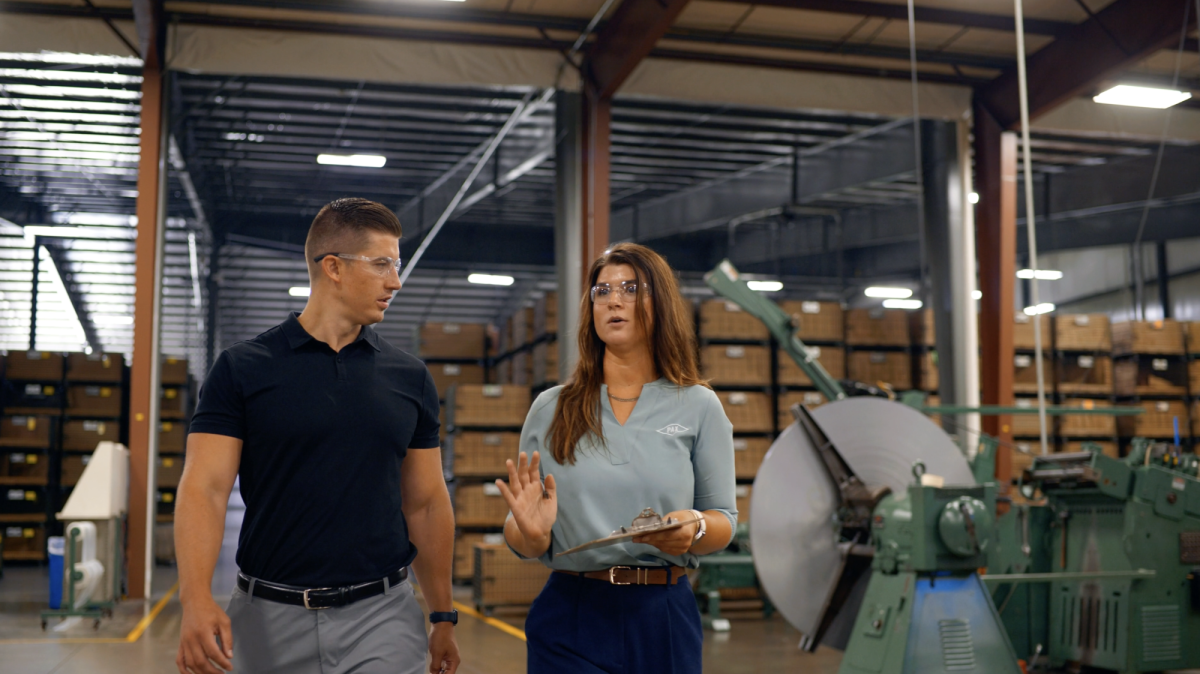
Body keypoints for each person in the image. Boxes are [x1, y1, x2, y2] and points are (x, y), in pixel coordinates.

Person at [175, 198, 460, 674]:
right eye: (382, 264)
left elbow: (427, 502)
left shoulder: (409, 378)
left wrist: (443, 613)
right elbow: (204, 489)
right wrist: (195, 598)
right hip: (266, 620)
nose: (396, 281)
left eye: (398, 264)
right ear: (333, 267)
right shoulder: (243, 369)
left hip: (383, 618)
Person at [497, 242, 737, 674]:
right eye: (602, 291)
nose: (613, 300)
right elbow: (524, 529)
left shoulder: (699, 406)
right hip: (572, 612)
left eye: (630, 288)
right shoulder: (551, 408)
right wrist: (529, 536)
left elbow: (723, 518)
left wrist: (694, 528)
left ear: (659, 302)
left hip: (663, 615)